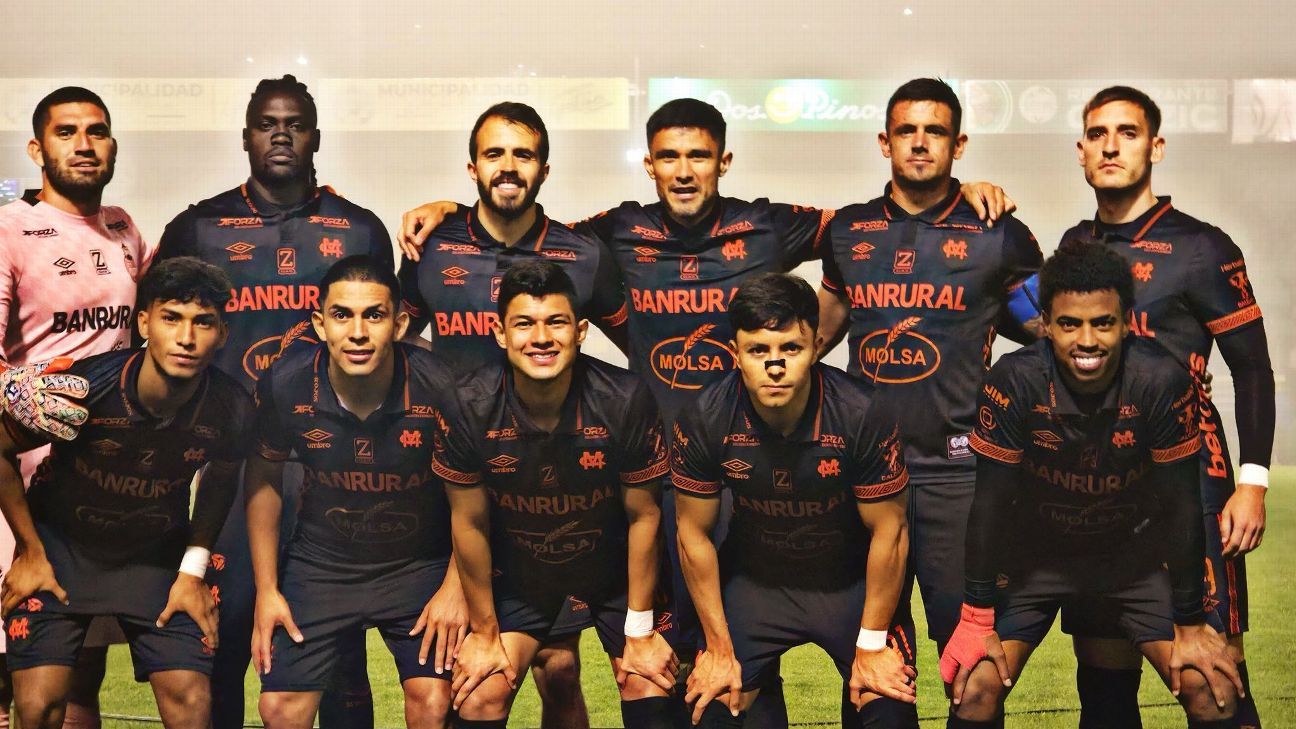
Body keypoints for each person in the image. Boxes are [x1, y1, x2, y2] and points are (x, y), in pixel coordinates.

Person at [401, 98, 1011, 726]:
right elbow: (524, 221)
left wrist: (956, 197)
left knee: (754, 636)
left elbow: (872, 223)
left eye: (698, 156)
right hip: (665, 476)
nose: (685, 170)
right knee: (694, 664)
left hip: (751, 471)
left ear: (724, 161)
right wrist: (451, 212)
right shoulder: (611, 233)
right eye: (669, 157)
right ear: (649, 165)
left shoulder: (765, 226)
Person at [151, 75, 394, 729]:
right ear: (246, 137)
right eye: (267, 123)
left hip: (330, 470)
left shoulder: (359, 229)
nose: (280, 134)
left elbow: (385, 344)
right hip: (232, 469)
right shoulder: (197, 227)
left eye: (294, 124)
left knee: (338, 650)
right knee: (225, 636)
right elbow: (159, 338)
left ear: (315, 136)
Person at [940, 240, 1243, 728]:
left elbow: (1181, 506)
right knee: (975, 687)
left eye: (1102, 323)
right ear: (1045, 323)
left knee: (1211, 690)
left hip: (1132, 560)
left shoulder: (1161, 380)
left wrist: (1190, 623)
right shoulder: (1013, 381)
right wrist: (976, 618)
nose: (1087, 340)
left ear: (1126, 322)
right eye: (1069, 324)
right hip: (1035, 560)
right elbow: (990, 504)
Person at [397, 100, 629, 729]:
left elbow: (641, 354)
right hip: (454, 481)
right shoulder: (430, 246)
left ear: (544, 170)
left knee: (559, 666)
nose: (508, 166)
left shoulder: (583, 254)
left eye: (522, 154)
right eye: (494, 154)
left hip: (548, 488)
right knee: (461, 677)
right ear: (471, 167)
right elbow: (391, 347)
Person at [1053, 86, 1273, 729]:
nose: (1111, 146)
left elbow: (1252, 369)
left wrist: (1252, 484)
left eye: (1127, 133)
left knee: (1214, 683)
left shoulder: (1202, 247)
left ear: (1156, 147)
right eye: (1098, 134)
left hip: (1188, 488)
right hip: (1095, 491)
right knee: (1103, 676)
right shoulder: (1074, 246)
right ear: (1081, 151)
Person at [815, 78, 1043, 666]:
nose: (919, 142)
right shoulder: (848, 229)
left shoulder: (999, 233)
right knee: (873, 668)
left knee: (972, 667)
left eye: (935, 131)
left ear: (958, 144)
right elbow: (815, 336)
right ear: (884, 141)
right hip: (867, 476)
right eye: (907, 131)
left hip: (960, 479)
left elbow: (1054, 332)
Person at [0, 257, 253, 729]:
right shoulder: (85, 387)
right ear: (144, 323)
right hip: (62, 552)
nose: (186, 337)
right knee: (38, 707)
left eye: (203, 323)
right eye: (171, 318)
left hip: (155, 559)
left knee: (192, 704)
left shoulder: (232, 406)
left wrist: (193, 571)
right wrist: (30, 551)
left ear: (222, 333)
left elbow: (223, 474)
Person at [433, 261, 677, 729]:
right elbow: (469, 521)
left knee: (649, 682)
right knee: (481, 693)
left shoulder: (625, 398)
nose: (541, 338)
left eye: (557, 322)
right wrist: (484, 633)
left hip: (613, 572)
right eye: (524, 324)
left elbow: (644, 517)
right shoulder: (467, 403)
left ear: (581, 331)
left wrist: (641, 631)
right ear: (501, 333)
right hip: (520, 573)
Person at [673, 273, 917, 728]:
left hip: (849, 584)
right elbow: (692, 534)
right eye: (758, 351)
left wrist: (870, 644)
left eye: (790, 348)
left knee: (888, 710)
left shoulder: (862, 411)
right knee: (713, 709)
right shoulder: (705, 415)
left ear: (817, 347)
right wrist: (719, 648)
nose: (775, 365)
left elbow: (891, 531)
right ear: (735, 353)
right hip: (757, 584)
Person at [246, 256, 465, 729]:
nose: (358, 333)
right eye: (342, 315)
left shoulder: (441, 386)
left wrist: (455, 587)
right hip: (322, 565)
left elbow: (472, 500)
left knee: (434, 703)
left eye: (375, 315)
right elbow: (263, 480)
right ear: (320, 324)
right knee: (279, 709)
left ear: (400, 324)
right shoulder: (286, 383)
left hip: (418, 565)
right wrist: (267, 590)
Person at [0, 85, 157, 729]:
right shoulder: (9, 231)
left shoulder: (122, 228)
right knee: (17, 682)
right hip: (16, 488)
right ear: (38, 149)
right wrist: (17, 389)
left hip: (96, 489)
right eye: (66, 132)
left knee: (80, 678)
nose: (84, 145)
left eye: (96, 131)